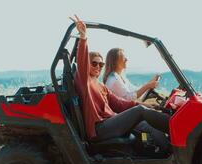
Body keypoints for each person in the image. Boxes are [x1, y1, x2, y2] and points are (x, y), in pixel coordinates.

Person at [70, 15, 170, 151]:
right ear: (87, 65)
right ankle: (179, 126)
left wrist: (148, 106)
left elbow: (120, 103)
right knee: (140, 112)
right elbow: (81, 61)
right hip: (99, 128)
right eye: (94, 63)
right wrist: (83, 37)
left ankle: (169, 153)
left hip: (111, 121)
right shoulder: (84, 81)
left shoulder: (101, 86)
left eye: (101, 64)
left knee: (149, 124)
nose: (98, 66)